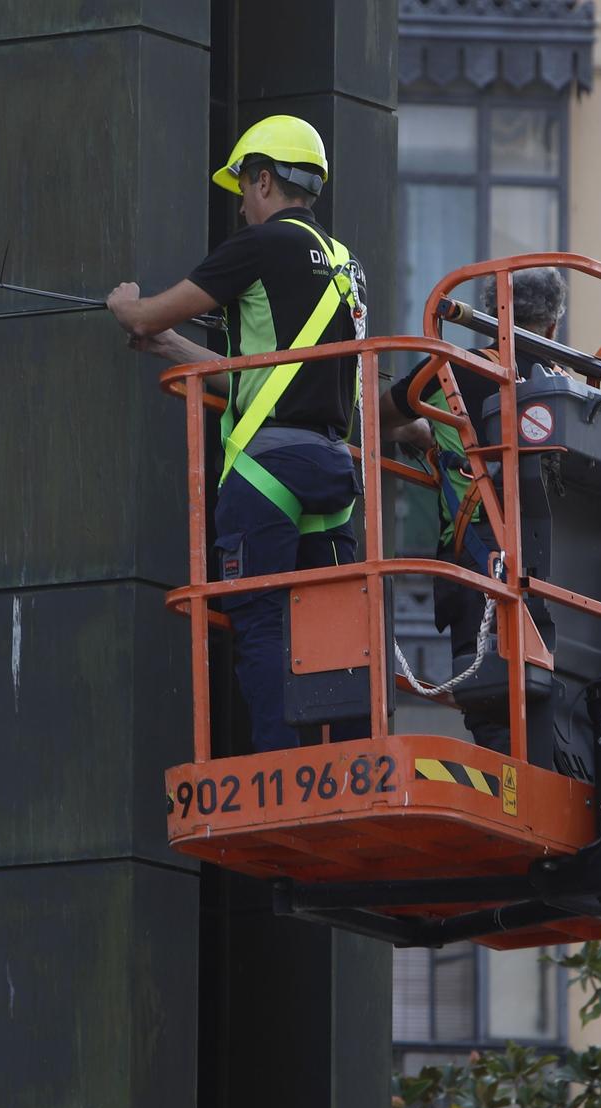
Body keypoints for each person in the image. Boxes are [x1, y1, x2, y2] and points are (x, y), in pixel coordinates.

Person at [107, 114, 429, 753]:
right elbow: (257, 378)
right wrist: (170, 347)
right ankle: (349, 762)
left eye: (243, 192)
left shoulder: (260, 246)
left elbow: (152, 308)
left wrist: (129, 308)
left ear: (262, 180)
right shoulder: (346, 265)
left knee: (261, 620)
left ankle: (280, 768)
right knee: (338, 628)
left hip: (268, 471)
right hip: (334, 472)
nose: (243, 208)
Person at [385, 266, 567, 752]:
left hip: (481, 571)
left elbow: (376, 413)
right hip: (566, 580)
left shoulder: (453, 371)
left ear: (485, 318)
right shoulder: (571, 393)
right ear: (553, 327)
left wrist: (421, 432)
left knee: (495, 717)